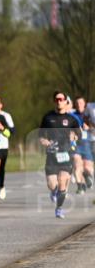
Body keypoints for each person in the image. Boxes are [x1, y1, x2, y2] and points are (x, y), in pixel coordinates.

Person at [39, 91, 81, 219]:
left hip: (66, 155)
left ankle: (59, 208)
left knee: (62, 181)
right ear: (54, 101)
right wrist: (45, 142)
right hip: (52, 156)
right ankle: (54, 192)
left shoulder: (71, 119)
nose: (59, 101)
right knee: (52, 185)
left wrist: (74, 136)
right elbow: (41, 136)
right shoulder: (47, 118)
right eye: (57, 99)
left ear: (65, 102)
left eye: (61, 99)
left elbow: (79, 135)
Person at [70, 96, 92, 193]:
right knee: (77, 165)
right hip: (77, 144)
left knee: (88, 168)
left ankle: (87, 176)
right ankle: (80, 186)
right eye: (77, 103)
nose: (79, 105)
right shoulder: (72, 115)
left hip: (88, 144)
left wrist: (90, 128)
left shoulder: (90, 115)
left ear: (85, 104)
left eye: (81, 103)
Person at [77, 96, 95, 190]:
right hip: (92, 140)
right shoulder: (90, 106)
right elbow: (85, 119)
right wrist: (88, 126)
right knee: (88, 164)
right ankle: (88, 177)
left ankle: (88, 177)